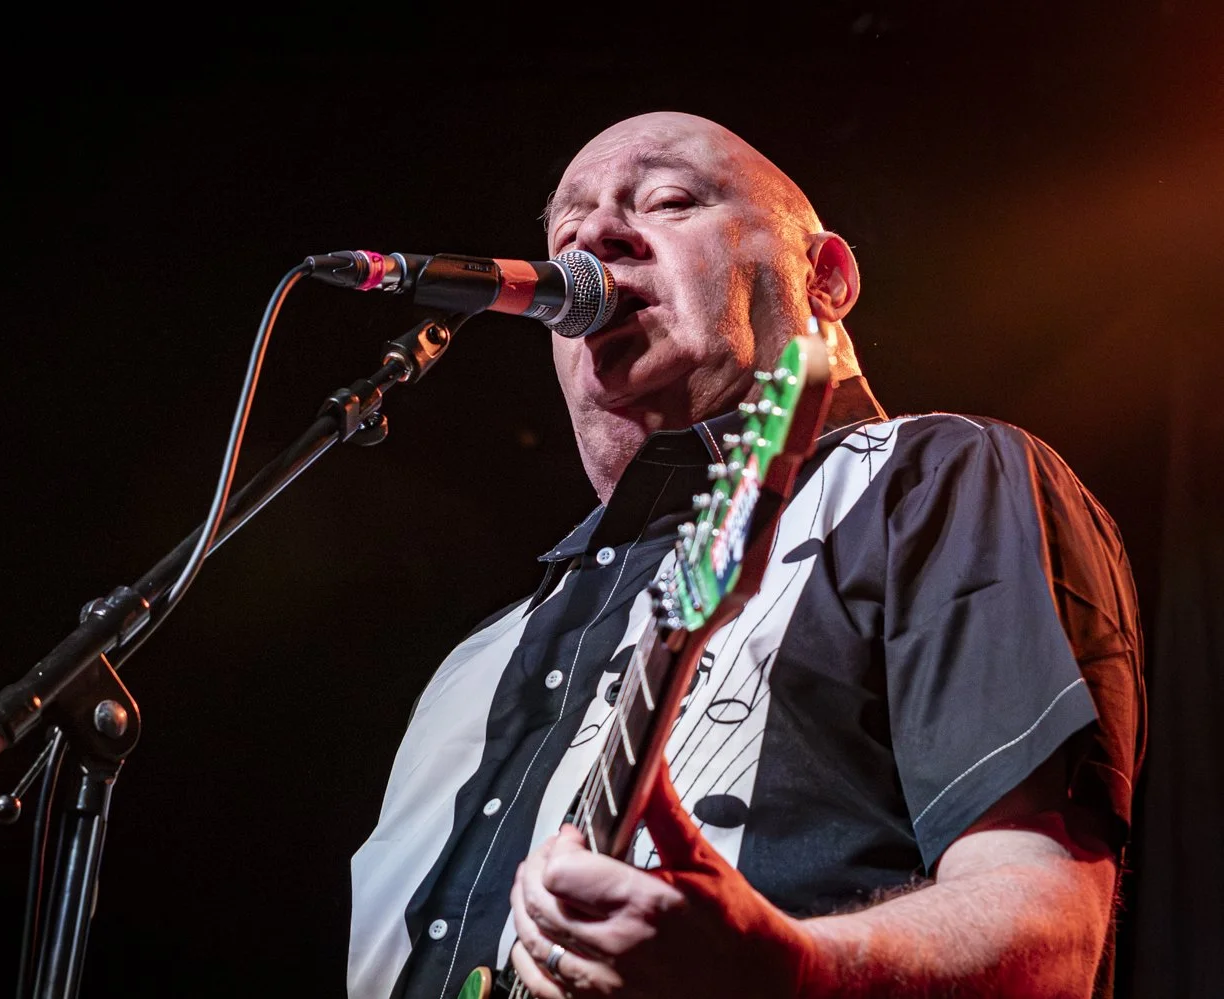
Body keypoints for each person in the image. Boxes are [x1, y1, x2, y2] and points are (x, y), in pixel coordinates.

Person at [347, 111, 1144, 999]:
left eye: (668, 200)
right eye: (568, 233)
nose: (598, 235)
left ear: (827, 278)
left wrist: (787, 969)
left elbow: (1047, 934)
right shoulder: (472, 665)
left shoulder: (931, 478)